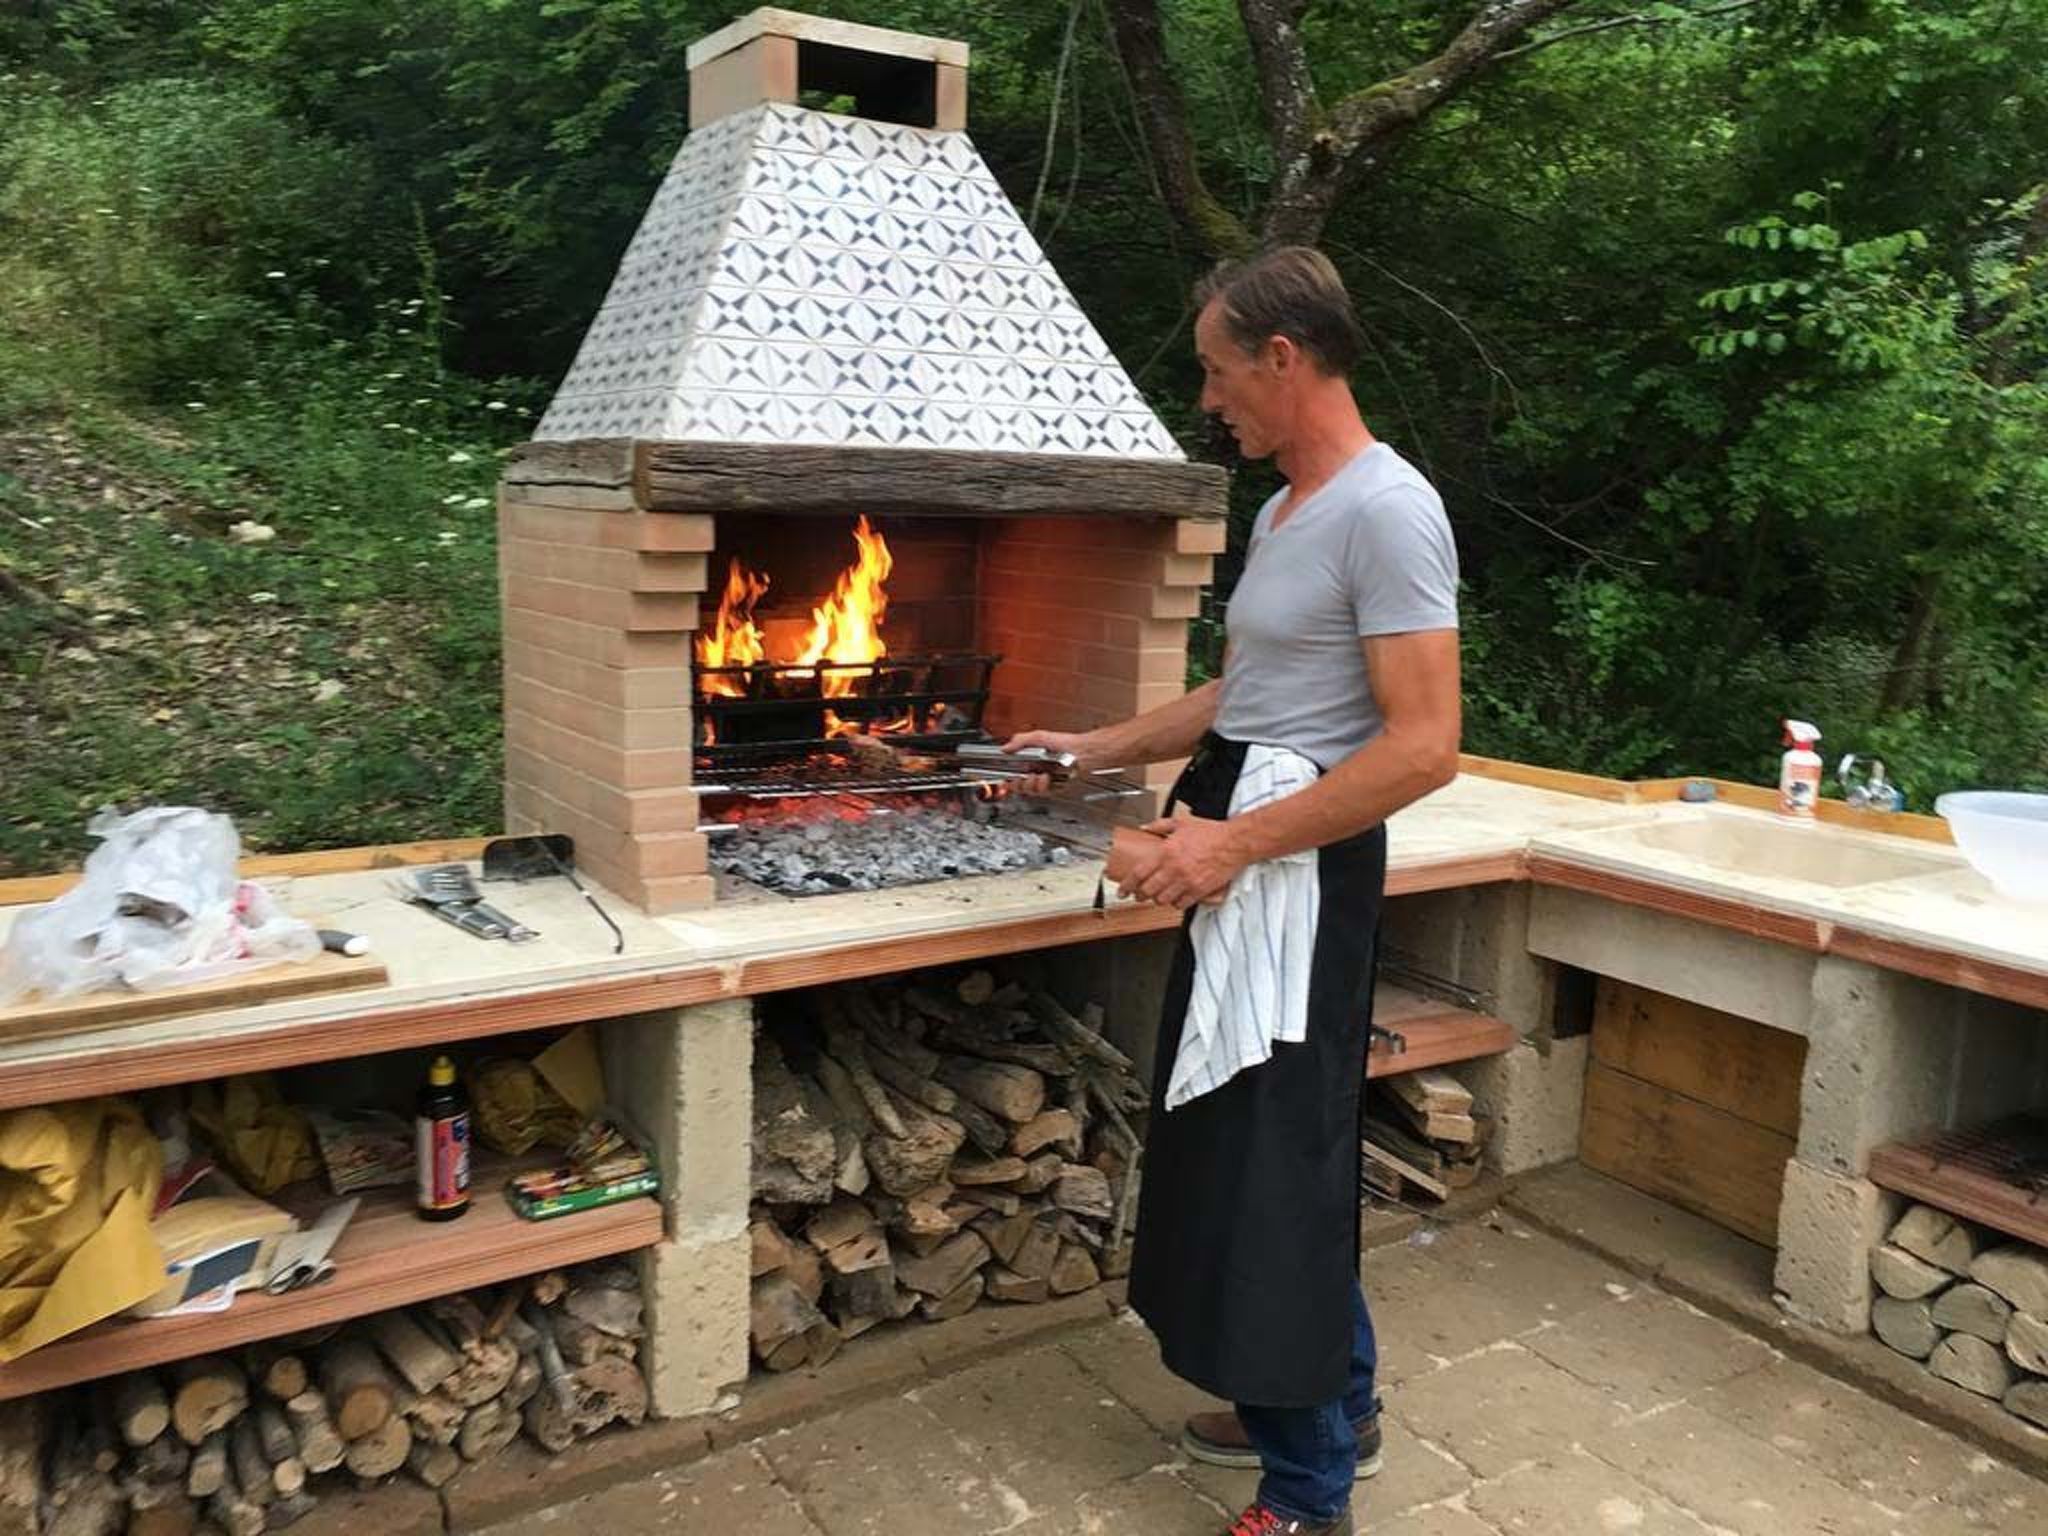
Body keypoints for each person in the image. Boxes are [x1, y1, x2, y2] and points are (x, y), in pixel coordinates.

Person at [1005, 246, 1461, 1536]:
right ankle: (1328, 1405)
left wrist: (1233, 847)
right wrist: (1095, 748)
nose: (1207, 400)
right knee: (1255, 1148)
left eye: (1217, 372)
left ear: (1283, 356)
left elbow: (1426, 746)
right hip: (1242, 842)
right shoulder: (1284, 513)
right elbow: (1242, 692)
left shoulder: (1389, 510)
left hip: (1296, 875)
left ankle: (1309, 1491)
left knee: (1273, 1164)